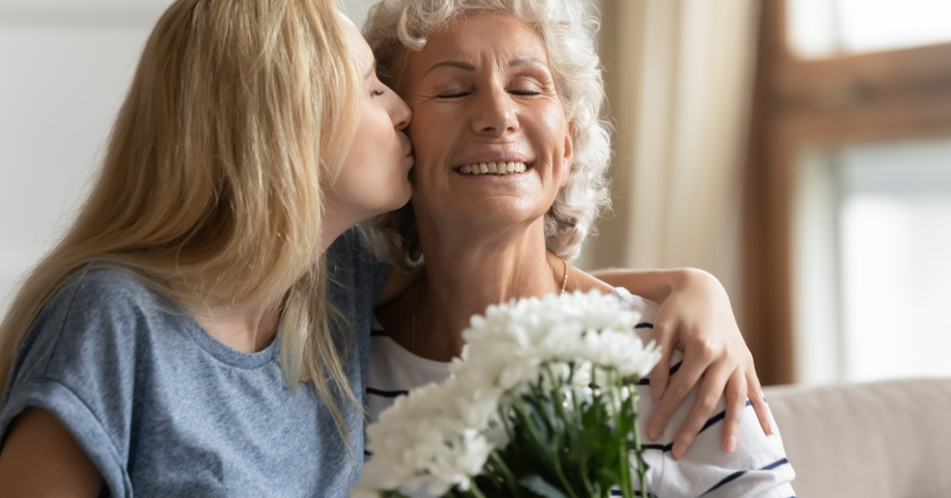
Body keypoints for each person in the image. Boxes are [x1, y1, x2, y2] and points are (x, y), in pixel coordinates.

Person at [360, 0, 796, 496]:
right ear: (399, 136)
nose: (499, 115)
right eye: (454, 90)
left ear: (566, 147)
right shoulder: (343, 363)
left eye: (526, 87)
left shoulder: (678, 353)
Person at [0, 0, 412, 495]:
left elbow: (482, 268)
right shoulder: (113, 320)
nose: (402, 109)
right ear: (286, 127)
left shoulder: (339, 277)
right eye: (372, 88)